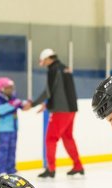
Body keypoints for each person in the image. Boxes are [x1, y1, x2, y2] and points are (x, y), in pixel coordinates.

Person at [30, 48, 84, 178]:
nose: (43, 64)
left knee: (50, 138)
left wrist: (33, 104)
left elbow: (48, 91)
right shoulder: (64, 68)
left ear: (49, 59)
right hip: (71, 108)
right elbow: (60, 90)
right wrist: (48, 104)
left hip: (60, 110)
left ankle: (51, 169)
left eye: (43, 61)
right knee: (67, 137)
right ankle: (78, 166)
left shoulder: (53, 70)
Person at [0, 77, 29, 176]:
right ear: (2, 88)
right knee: (3, 150)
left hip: (14, 128)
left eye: (12, 87)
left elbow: (22, 106)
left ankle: (11, 168)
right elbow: (1, 110)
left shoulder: (13, 97)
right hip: (4, 129)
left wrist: (27, 104)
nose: (11, 90)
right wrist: (13, 104)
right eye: (9, 88)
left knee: (12, 149)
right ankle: (1, 170)